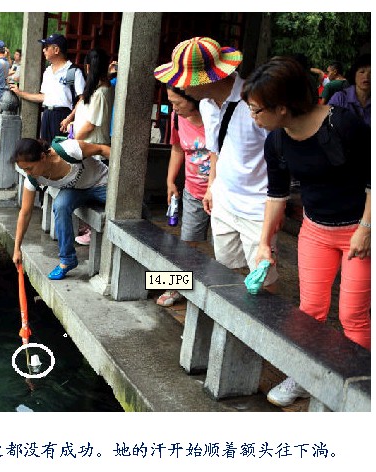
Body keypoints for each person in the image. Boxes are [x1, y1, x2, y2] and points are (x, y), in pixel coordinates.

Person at [242, 56, 371, 407]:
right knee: (309, 309)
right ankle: (302, 375)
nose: (253, 117)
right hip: (315, 231)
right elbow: (276, 195)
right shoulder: (276, 141)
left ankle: (355, 389)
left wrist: (366, 228)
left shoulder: (343, 124)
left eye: (256, 110)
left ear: (282, 107)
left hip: (359, 233)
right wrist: (264, 243)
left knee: (352, 316)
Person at [154, 37, 277, 290]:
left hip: (256, 208)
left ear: (206, 79)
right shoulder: (207, 106)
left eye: (184, 80)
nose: (181, 86)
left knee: (263, 279)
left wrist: (276, 208)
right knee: (223, 269)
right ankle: (183, 291)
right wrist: (212, 187)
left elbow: (279, 160)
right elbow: (215, 150)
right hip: (221, 201)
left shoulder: (256, 105)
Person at [12, 138, 111, 280]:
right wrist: (17, 249)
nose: (28, 173)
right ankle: (67, 260)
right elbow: (25, 213)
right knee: (60, 205)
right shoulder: (33, 179)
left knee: (131, 207)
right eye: (24, 170)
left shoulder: (70, 149)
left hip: (102, 183)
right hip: (77, 191)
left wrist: (125, 173)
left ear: (43, 157)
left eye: (29, 168)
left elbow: (102, 149)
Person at [156, 85, 212, 307]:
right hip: (193, 190)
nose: (174, 108)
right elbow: (177, 148)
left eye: (177, 103)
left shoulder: (214, 116)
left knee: (224, 251)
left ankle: (216, 298)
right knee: (187, 241)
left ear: (194, 98)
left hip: (221, 195)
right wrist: (170, 181)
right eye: (171, 103)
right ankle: (176, 287)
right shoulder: (177, 118)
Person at [63, 48, 114, 246]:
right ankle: (87, 227)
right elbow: (81, 107)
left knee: (93, 186)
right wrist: (70, 121)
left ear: (87, 67)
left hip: (94, 147)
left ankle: (92, 232)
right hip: (86, 146)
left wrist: (73, 140)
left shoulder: (102, 92)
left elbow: (91, 124)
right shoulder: (95, 89)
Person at [10, 33, 85, 142]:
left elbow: (82, 99)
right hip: (47, 115)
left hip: (63, 117)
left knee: (59, 149)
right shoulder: (48, 71)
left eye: (46, 47)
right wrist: (20, 93)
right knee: (45, 147)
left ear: (56, 50)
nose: (43, 50)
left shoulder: (72, 71)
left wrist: (69, 118)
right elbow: (43, 97)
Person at [329, 53, 371, 126]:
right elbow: (329, 124)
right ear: (354, 75)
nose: (366, 76)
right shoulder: (340, 98)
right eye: (362, 72)